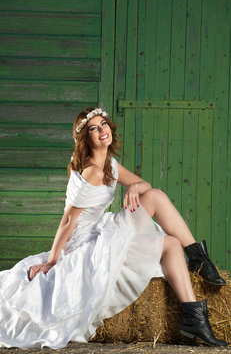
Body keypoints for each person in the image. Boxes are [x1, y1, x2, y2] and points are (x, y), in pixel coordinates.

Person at [0, 107, 227, 349]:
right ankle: (196, 300)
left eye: (103, 124)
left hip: (103, 229)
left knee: (157, 200)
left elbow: (144, 184)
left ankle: (197, 281)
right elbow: (68, 220)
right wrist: (52, 260)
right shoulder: (93, 171)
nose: (101, 131)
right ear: (85, 138)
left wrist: (134, 187)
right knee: (168, 238)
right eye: (93, 129)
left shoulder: (108, 163)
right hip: (87, 244)